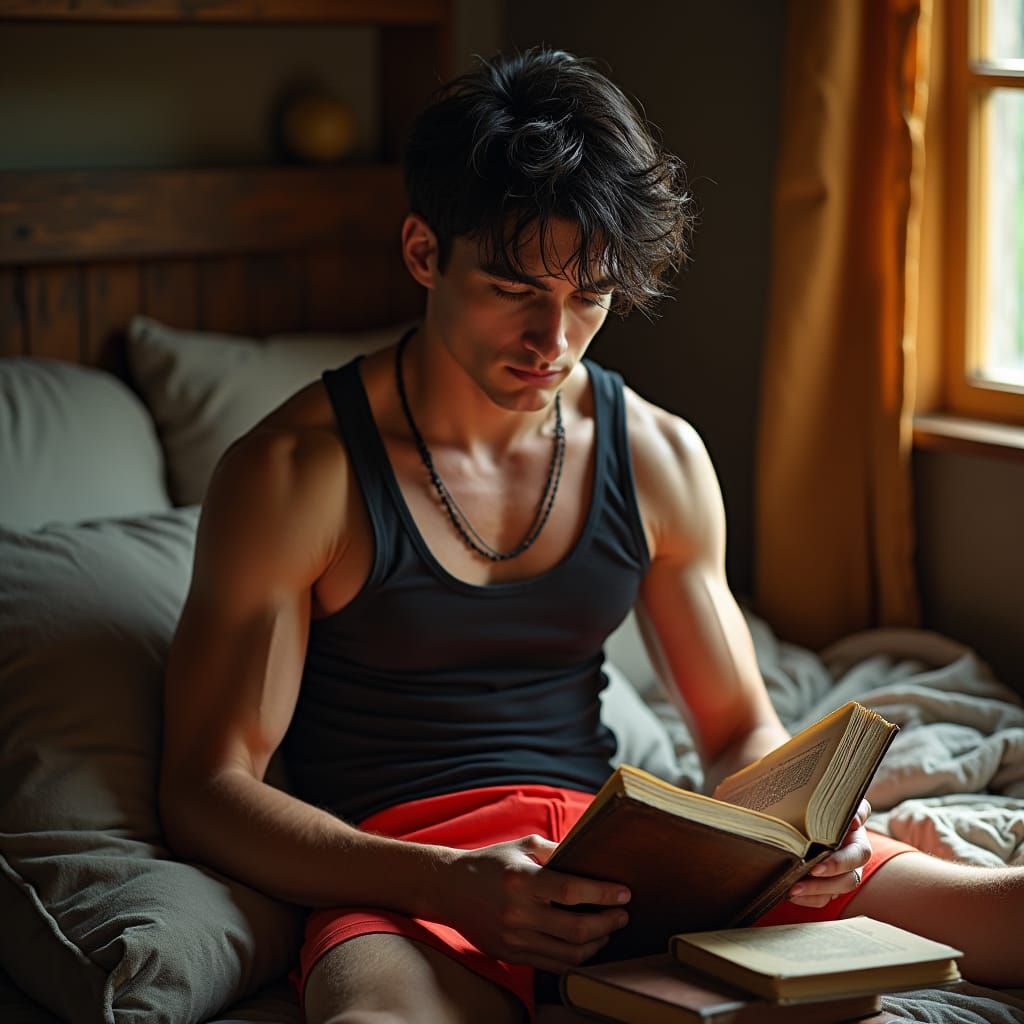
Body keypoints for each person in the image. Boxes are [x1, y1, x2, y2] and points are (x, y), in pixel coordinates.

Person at [159, 48, 1024, 1024]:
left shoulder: (656, 453)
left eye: (589, 296)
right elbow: (206, 786)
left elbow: (738, 728)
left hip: (623, 860)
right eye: (514, 288)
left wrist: (802, 831)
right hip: (409, 884)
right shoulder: (293, 472)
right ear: (421, 252)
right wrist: (444, 882)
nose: (553, 339)